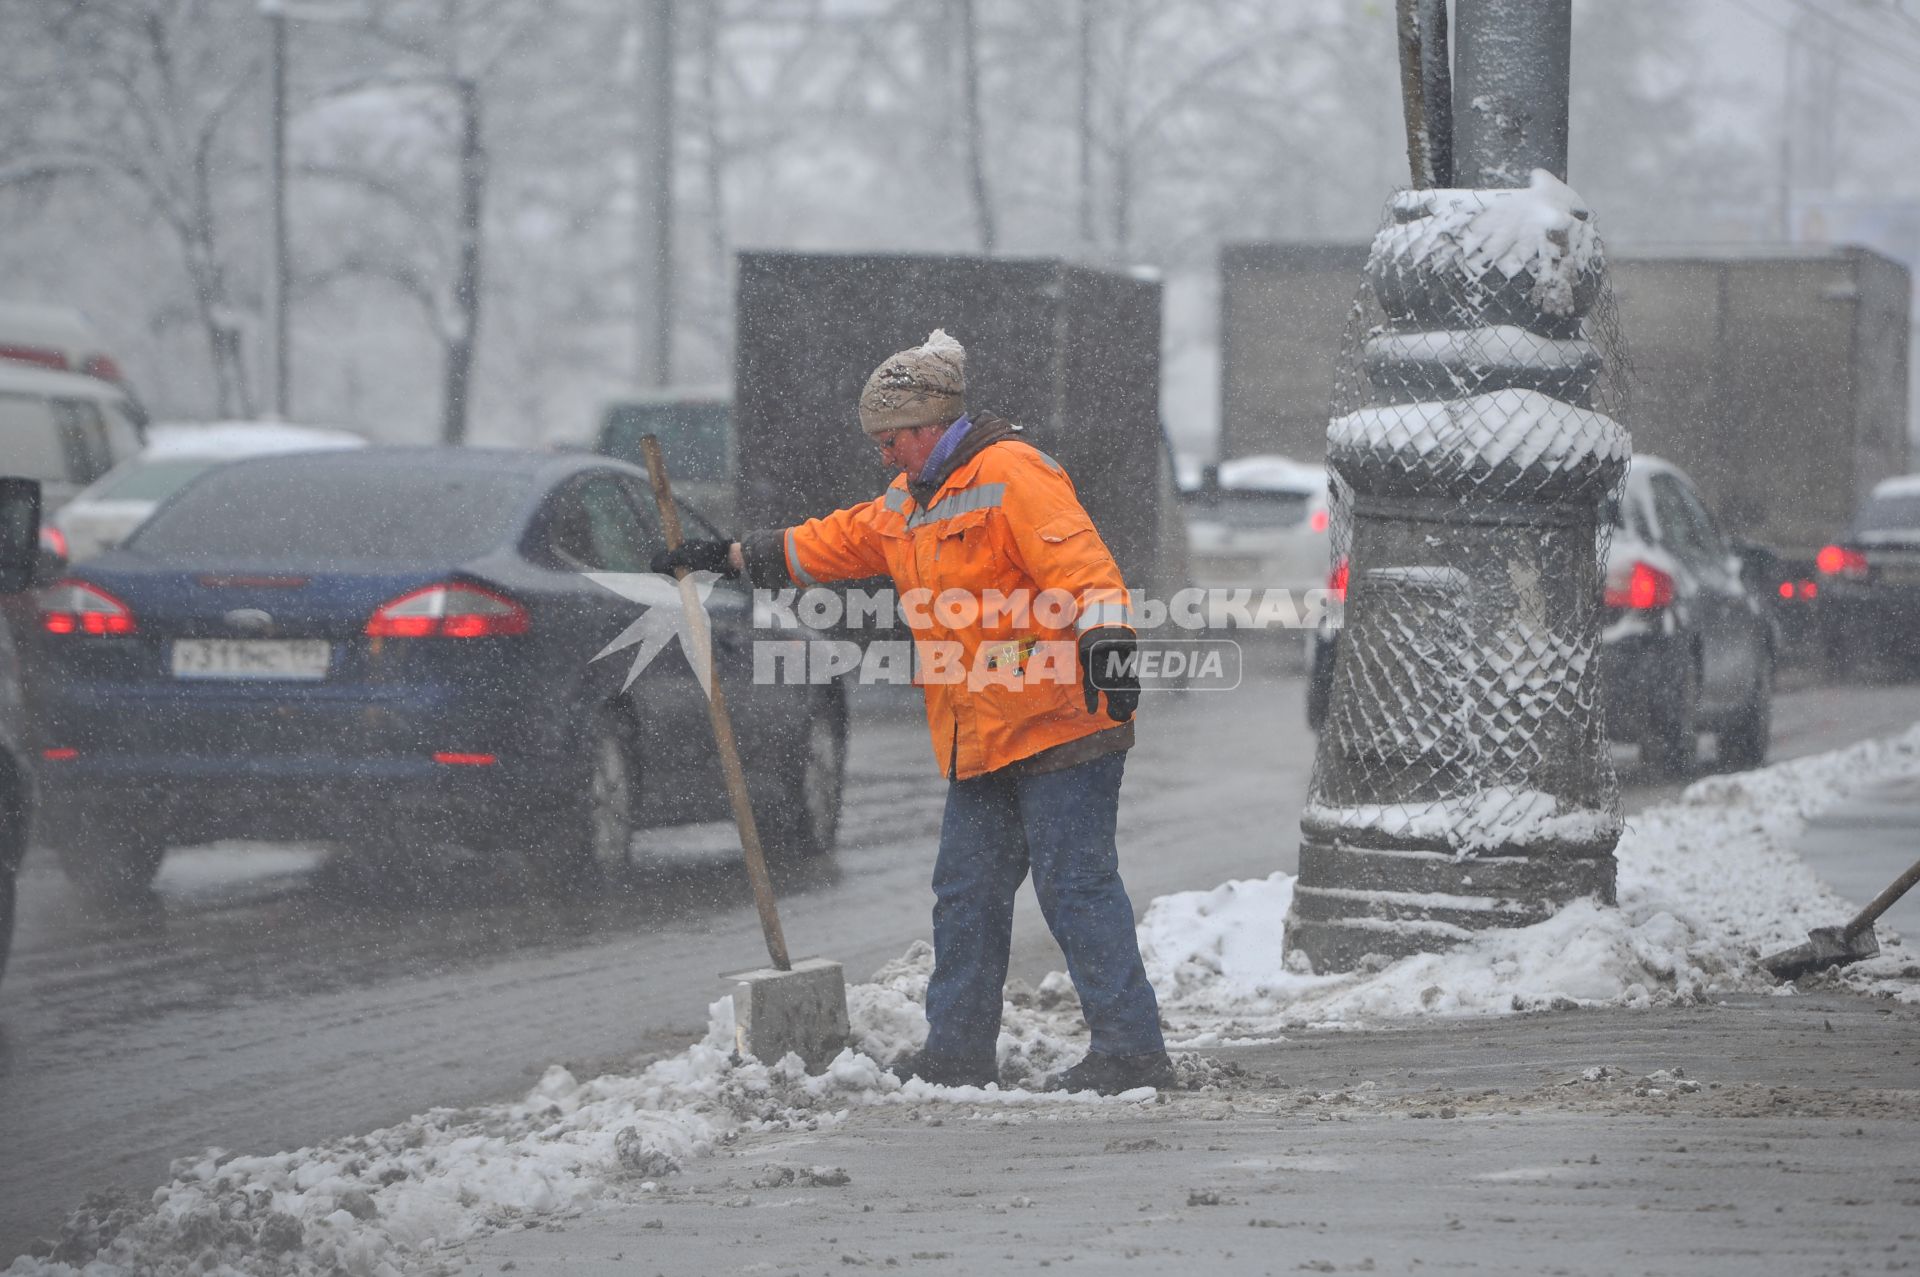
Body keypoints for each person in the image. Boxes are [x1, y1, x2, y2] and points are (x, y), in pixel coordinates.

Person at [653, 330, 1172, 1095]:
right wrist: (726, 555)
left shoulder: (1012, 472)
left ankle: (1132, 1051)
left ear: (930, 424)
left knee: (1076, 889)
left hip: (1064, 720)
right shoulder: (909, 502)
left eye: (891, 438)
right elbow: (830, 542)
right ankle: (957, 1052)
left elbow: (1083, 565)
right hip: (982, 737)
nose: (884, 454)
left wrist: (1109, 644)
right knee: (965, 896)